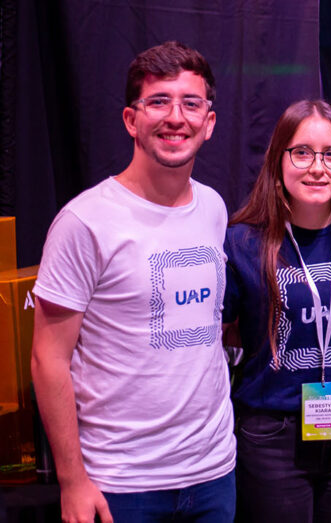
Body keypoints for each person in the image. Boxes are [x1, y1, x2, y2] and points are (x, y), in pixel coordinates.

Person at [30, 41, 235, 523]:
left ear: (209, 122)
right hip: (122, 484)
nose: (175, 117)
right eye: (159, 102)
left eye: (191, 103)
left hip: (213, 475)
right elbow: (48, 358)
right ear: (130, 119)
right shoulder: (84, 222)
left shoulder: (214, 209)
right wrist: (72, 480)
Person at [223, 99, 331, 522]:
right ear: (279, 159)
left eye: (330, 154)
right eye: (302, 152)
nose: (317, 167)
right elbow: (216, 336)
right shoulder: (242, 243)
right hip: (271, 438)